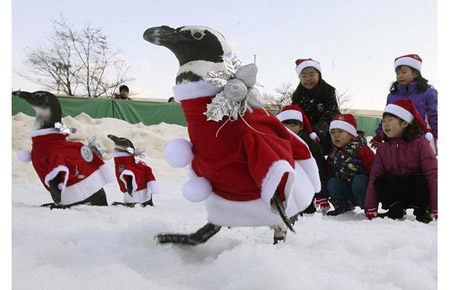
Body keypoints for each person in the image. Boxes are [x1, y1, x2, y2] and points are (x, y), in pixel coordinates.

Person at [365, 98, 437, 223]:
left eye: (390, 120)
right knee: (381, 180)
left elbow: (433, 175)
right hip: (396, 191)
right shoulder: (383, 148)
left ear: (405, 123)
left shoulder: (420, 145)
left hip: (415, 191)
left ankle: (421, 211)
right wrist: (370, 207)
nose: (385, 124)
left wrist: (436, 207)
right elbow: (374, 175)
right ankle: (395, 209)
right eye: (384, 121)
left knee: (418, 180)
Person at [370, 54, 438, 152]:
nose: (400, 76)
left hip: (423, 140)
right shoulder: (392, 96)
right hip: (397, 141)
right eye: (397, 73)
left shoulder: (428, 93)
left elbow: (435, 117)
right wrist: (380, 135)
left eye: (403, 72)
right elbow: (387, 118)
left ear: (416, 73)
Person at [277, 104, 331, 214]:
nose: (289, 130)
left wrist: (321, 194)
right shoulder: (276, 142)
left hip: (304, 183)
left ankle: (306, 207)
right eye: (284, 126)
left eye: (292, 126)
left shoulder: (309, 144)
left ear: (301, 126)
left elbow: (319, 167)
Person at [325, 114, 375, 216]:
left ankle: (368, 207)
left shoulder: (361, 149)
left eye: (340, 131)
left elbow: (374, 168)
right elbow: (328, 173)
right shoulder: (333, 153)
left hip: (363, 190)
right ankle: (342, 206)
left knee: (360, 180)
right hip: (346, 190)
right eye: (333, 132)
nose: (336, 135)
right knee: (332, 182)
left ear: (351, 134)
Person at [291, 58, 340, 154]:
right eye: (303, 75)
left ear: (319, 75)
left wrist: (317, 131)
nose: (308, 78)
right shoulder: (297, 95)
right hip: (306, 134)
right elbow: (295, 115)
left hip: (327, 134)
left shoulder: (328, 91)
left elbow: (332, 113)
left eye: (311, 74)